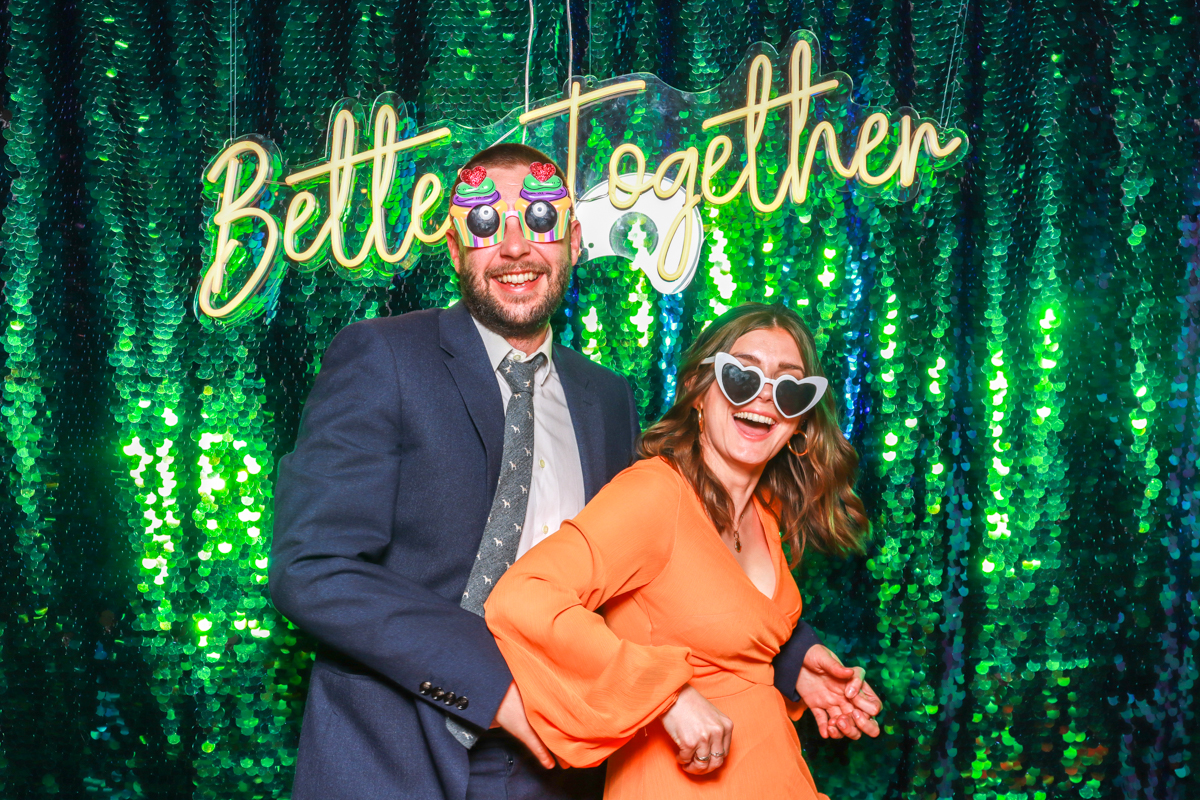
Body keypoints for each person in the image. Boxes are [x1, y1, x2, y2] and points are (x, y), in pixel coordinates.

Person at [270, 143, 877, 800]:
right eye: (483, 225)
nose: (513, 247)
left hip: (559, 767)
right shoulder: (385, 356)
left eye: (540, 221)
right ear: (453, 248)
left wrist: (789, 661)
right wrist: (493, 687)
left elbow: (673, 563)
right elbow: (313, 568)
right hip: (394, 756)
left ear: (575, 241)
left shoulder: (606, 399)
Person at [486, 302, 875, 799]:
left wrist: (798, 667)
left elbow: (721, 638)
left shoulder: (766, 515)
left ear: (799, 420)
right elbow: (525, 596)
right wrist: (664, 697)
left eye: (790, 388)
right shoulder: (655, 494)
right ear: (698, 391)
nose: (764, 399)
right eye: (742, 376)